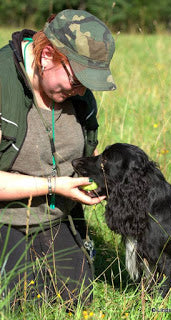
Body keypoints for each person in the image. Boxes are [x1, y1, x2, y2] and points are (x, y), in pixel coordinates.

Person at [0, 9, 116, 310]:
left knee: (77, 301)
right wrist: (54, 185)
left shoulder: (80, 97)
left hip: (54, 218)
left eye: (86, 83)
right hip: (4, 217)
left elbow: (87, 154)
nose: (81, 90)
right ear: (48, 55)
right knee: (20, 301)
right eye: (77, 79)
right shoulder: (2, 85)